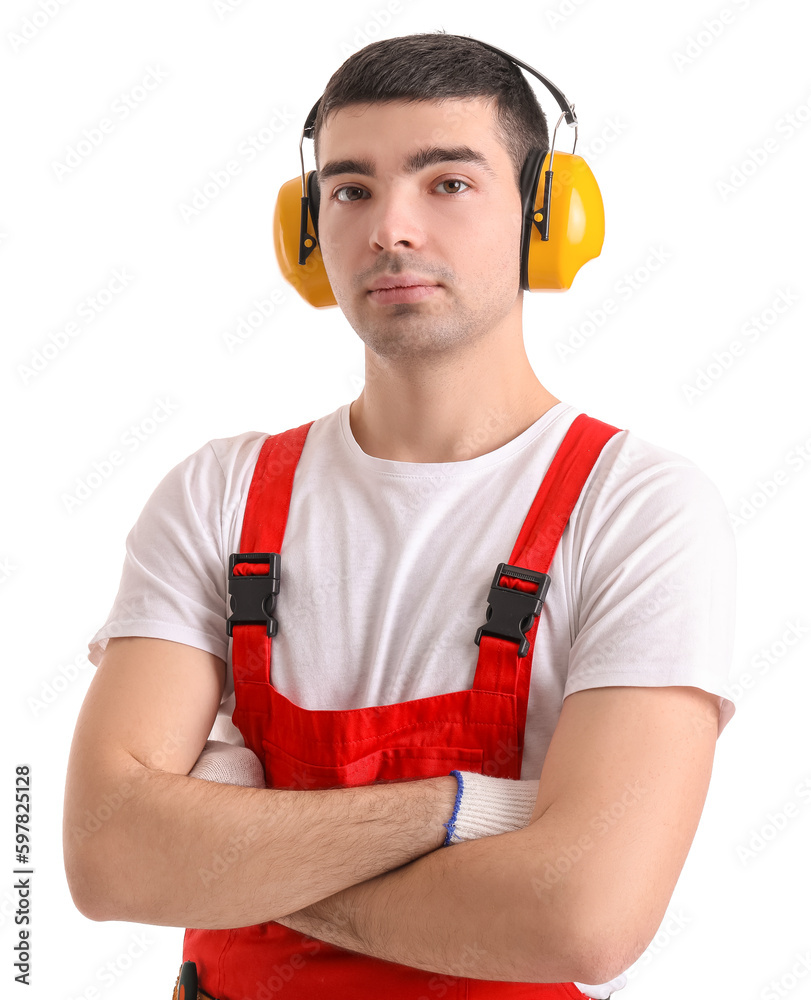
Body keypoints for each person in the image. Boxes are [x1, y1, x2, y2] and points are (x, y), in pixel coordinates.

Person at [63, 30, 737, 1000]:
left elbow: (583, 919)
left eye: (447, 183)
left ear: (545, 215)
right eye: (350, 190)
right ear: (307, 230)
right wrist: (462, 809)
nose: (391, 229)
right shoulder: (218, 494)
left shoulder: (637, 508)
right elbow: (109, 862)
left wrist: (238, 860)